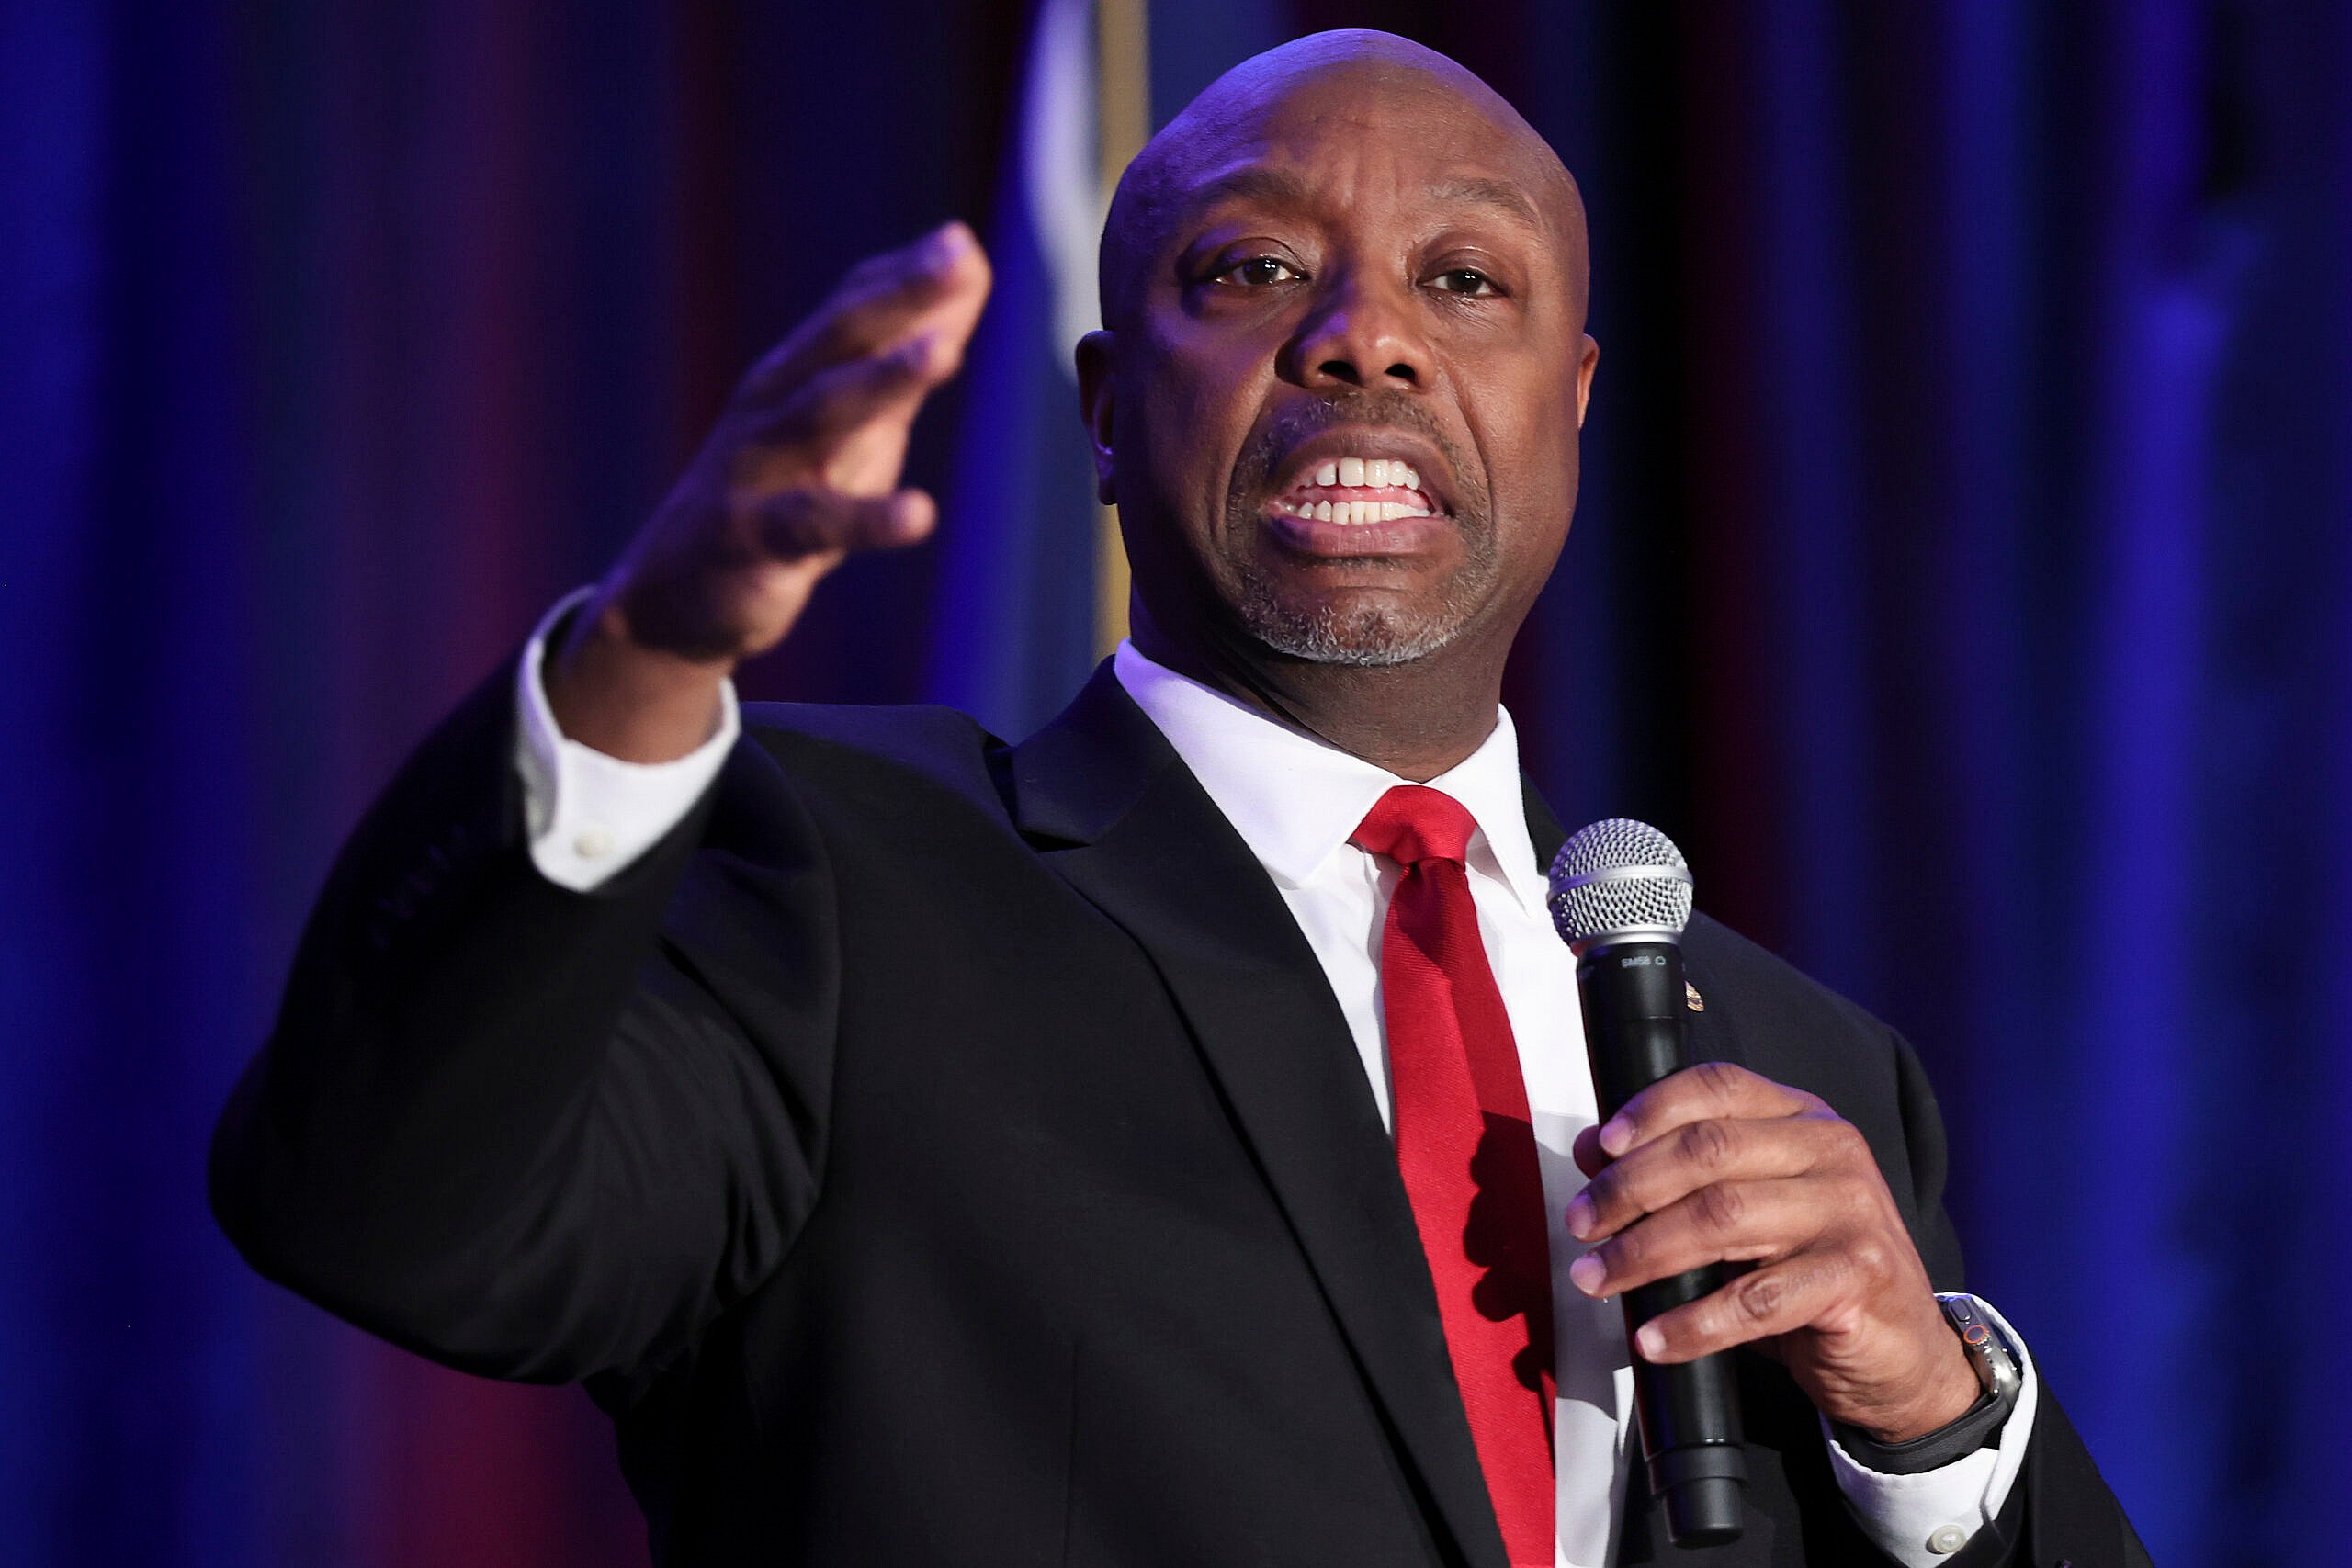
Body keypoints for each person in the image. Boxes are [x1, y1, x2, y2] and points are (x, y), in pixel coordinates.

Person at [212, 30, 2145, 1568]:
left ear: (1568, 404)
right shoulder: (831, 880)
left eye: (1459, 280)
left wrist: (1926, 1416)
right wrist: (638, 658)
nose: (1362, 336)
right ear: (1105, 404)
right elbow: (394, 1213)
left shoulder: (1803, 1059)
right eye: (1251, 270)